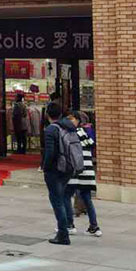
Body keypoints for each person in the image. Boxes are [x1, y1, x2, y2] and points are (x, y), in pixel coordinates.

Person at [42, 102, 77, 245]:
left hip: (55, 169)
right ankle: (68, 226)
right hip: (68, 167)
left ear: (47, 115)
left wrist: (45, 167)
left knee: (57, 201)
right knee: (62, 198)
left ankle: (63, 234)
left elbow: (50, 152)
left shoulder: (51, 129)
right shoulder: (69, 127)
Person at [64, 111, 101, 237]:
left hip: (75, 171)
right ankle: (94, 226)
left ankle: (69, 225)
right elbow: (91, 144)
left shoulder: (72, 133)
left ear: (77, 120)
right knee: (87, 199)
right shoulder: (85, 133)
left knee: (66, 196)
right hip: (87, 172)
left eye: (71, 119)